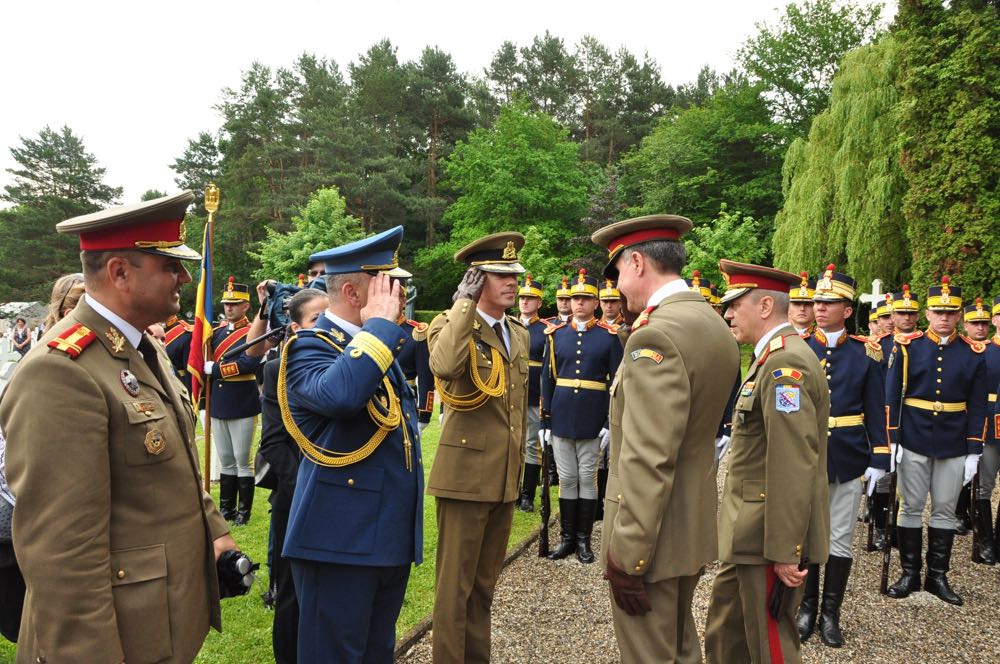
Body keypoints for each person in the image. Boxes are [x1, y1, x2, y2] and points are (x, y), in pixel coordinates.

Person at [0, 191, 237, 662]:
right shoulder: (63, 370)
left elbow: (171, 464)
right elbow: (62, 555)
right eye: (170, 265)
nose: (185, 278)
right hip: (114, 637)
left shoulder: (139, 350)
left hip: (154, 620)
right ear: (120, 273)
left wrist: (214, 529)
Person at [590, 216, 739, 663]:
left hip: (652, 538)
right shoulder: (710, 322)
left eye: (616, 273)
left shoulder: (656, 334)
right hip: (687, 526)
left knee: (651, 655)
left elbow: (648, 458)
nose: (617, 287)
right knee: (680, 648)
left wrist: (628, 554)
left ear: (637, 262)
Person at [280, 227, 423, 663]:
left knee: (376, 653)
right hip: (337, 539)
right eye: (390, 289)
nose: (400, 298)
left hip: (384, 534)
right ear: (351, 291)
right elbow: (341, 396)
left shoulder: (372, 344)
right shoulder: (309, 347)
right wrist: (379, 326)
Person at [704, 260, 829, 664]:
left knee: (770, 646)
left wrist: (786, 548)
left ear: (762, 308)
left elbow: (792, 463)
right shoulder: (770, 358)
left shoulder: (783, 365)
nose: (726, 314)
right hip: (748, 533)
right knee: (727, 635)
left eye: (733, 305)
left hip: (765, 538)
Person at [427, 232, 529, 663]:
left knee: (485, 586)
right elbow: (445, 366)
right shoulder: (449, 325)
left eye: (515, 275)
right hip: (465, 479)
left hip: (504, 477)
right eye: (500, 275)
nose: (513, 283)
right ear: (474, 279)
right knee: (455, 589)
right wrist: (462, 307)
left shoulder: (518, 334)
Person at [796, 265, 888, 648]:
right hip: (805, 456)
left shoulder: (866, 353)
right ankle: (805, 608)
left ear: (848, 310)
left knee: (839, 537)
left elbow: (875, 405)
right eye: (817, 301)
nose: (819, 307)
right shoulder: (799, 348)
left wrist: (879, 455)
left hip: (848, 456)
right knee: (803, 535)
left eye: (829, 302)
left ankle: (830, 614)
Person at [885, 276, 988, 606]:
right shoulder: (909, 347)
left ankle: (937, 576)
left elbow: (979, 405)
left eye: (951, 312)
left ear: (959, 316)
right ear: (927, 314)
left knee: (944, 509)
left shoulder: (973, 354)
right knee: (911, 507)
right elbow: (893, 396)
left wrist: (974, 449)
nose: (944, 317)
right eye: (938, 311)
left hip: (954, 442)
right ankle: (909, 573)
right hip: (913, 437)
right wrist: (893, 439)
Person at [259, 287, 327, 664]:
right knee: (292, 594)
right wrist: (308, 488)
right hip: (296, 495)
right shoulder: (277, 369)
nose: (326, 326)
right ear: (296, 328)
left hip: (340, 498)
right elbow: (273, 443)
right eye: (317, 319)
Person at [541, 269, 622, 564]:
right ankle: (566, 538)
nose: (579, 303)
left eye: (586, 299)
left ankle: (584, 540)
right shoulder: (556, 335)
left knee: (587, 478)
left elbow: (617, 384)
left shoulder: (609, 337)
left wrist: (608, 422)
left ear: (596, 303)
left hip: (592, 417)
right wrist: (545, 421)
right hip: (561, 415)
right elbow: (547, 380)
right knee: (567, 478)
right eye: (575, 298)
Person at [204, 277, 262, 525]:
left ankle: (243, 512)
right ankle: (226, 509)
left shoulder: (252, 333)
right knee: (226, 458)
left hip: (242, 401)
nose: (229, 308)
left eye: (234, 304)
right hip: (219, 402)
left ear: (246, 306)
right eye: (226, 304)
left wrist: (215, 370)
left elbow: (249, 363)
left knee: (242, 459)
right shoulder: (214, 333)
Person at [963, 297, 1000, 565]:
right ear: (996, 320)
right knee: (984, 485)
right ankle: (985, 542)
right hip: (990, 426)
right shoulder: (983, 351)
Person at [516, 273, 550, 512]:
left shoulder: (547, 329)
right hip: (510, 394)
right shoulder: (508, 325)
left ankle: (526, 494)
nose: (525, 302)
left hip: (534, 395)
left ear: (539, 303)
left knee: (531, 444)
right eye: (522, 298)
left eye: (530, 298)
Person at [788, 271, 816, 335]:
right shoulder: (777, 337)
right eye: (797, 303)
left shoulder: (824, 340)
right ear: (788, 307)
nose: (802, 308)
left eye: (808, 304)